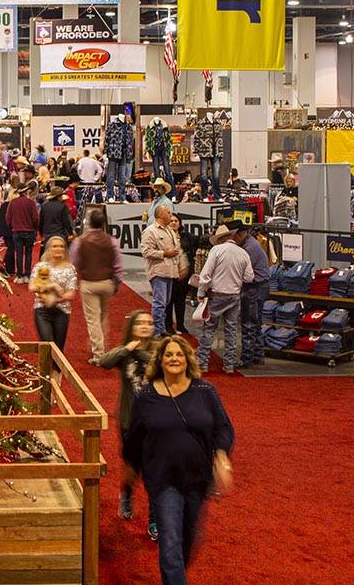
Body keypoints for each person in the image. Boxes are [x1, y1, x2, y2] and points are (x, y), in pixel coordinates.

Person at [124, 335, 235, 585]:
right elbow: (133, 438)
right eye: (168, 355)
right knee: (170, 540)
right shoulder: (147, 396)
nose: (174, 359)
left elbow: (224, 429)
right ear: (160, 361)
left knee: (186, 541)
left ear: (187, 360)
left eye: (179, 354)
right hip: (163, 480)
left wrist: (221, 454)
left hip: (197, 478)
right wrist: (130, 472)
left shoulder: (205, 391)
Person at [97, 310, 159, 531]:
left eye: (149, 323)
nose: (144, 326)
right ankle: (127, 493)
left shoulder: (160, 350)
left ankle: (154, 518)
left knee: (155, 469)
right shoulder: (126, 351)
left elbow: (156, 365)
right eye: (140, 323)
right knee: (132, 464)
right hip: (129, 418)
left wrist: (138, 353)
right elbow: (103, 362)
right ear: (132, 327)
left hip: (156, 420)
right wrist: (126, 349)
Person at [195, 223, 254, 375]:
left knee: (209, 329)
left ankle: (202, 363)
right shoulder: (243, 253)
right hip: (234, 295)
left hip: (217, 294)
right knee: (231, 330)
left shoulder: (216, 250)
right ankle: (229, 365)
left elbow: (206, 274)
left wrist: (201, 292)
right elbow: (249, 278)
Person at [70, 208, 124, 362]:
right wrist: (116, 282)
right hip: (107, 283)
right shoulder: (112, 241)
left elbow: (75, 263)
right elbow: (118, 265)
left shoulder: (80, 241)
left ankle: (99, 353)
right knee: (102, 315)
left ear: (89, 223)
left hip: (89, 283)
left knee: (92, 319)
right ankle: (100, 345)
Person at [28, 236, 78, 353]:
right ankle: (46, 371)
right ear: (48, 249)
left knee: (58, 350)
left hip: (62, 312)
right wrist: (52, 286)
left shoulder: (70, 268)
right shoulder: (41, 267)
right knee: (47, 345)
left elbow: (71, 294)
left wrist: (55, 300)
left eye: (61, 246)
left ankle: (55, 370)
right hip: (42, 310)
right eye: (55, 246)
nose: (58, 249)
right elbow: (32, 287)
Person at [141, 205, 182, 335]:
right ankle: (158, 332)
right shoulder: (150, 231)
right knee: (159, 303)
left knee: (165, 302)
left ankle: (162, 329)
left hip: (170, 271)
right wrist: (164, 253)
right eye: (168, 212)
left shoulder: (169, 230)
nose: (171, 215)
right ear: (160, 215)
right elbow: (146, 252)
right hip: (158, 272)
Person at [238, 226, 272, 368]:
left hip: (254, 287)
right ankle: (258, 355)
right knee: (255, 322)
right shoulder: (251, 243)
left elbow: (243, 271)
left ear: (240, 234)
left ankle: (247, 358)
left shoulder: (248, 248)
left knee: (249, 323)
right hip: (260, 286)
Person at [4, 181, 40, 284]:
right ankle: (27, 275)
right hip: (29, 231)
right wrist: (35, 228)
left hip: (16, 231)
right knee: (28, 254)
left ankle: (19, 275)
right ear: (26, 191)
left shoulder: (12, 203)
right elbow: (35, 218)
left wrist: (12, 227)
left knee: (19, 254)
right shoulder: (31, 203)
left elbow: (8, 218)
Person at [168, 216, 196, 334]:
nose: (174, 223)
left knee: (181, 302)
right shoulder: (164, 236)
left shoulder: (187, 237)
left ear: (180, 223)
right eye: (171, 221)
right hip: (169, 274)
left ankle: (180, 325)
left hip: (184, 275)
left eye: (176, 221)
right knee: (168, 303)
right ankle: (168, 326)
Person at [0, 183, 17, 279]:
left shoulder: (4, 204)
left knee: (10, 248)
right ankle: (3, 268)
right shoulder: (11, 205)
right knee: (11, 249)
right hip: (9, 229)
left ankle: (10, 269)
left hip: (4, 230)